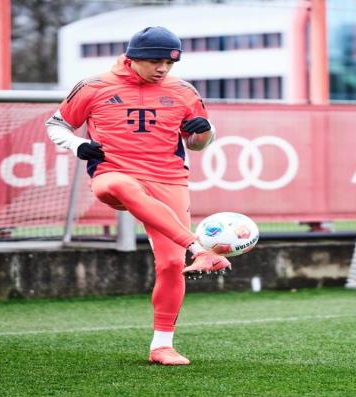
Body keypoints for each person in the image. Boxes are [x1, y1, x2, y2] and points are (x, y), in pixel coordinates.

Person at [45, 26, 231, 366]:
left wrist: (205, 133)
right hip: (113, 174)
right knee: (122, 186)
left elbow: (197, 144)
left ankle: (162, 347)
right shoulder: (93, 86)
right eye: (156, 61)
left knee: (171, 264)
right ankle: (198, 248)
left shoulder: (184, 91)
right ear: (132, 58)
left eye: (169, 63)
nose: (163, 69)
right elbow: (56, 124)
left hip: (169, 179)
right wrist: (77, 144)